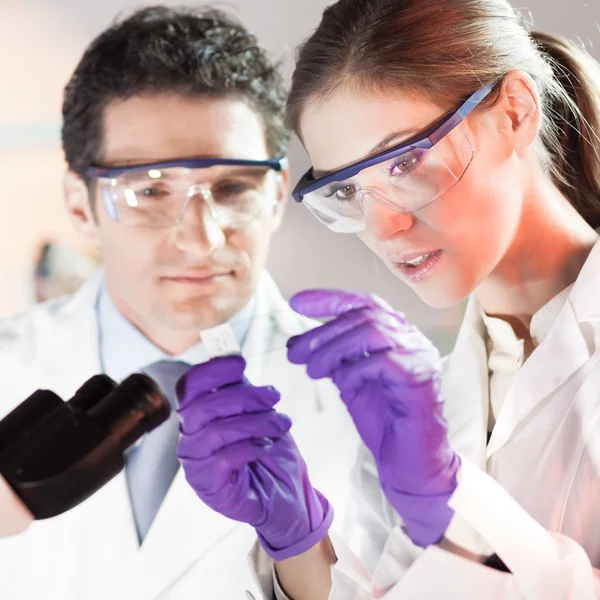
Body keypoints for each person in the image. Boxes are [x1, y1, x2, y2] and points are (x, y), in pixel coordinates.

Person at [175, 0, 600, 598]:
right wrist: (298, 542)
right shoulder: (421, 402)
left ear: (514, 112)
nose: (384, 229)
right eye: (348, 189)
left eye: (405, 161)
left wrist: (449, 506)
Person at [0, 6, 358, 599]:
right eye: (149, 190)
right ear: (79, 205)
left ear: (274, 197)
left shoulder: (371, 397)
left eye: (233, 187)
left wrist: (302, 558)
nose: (201, 238)